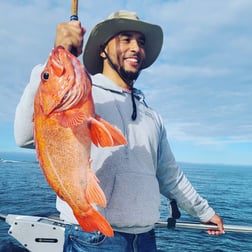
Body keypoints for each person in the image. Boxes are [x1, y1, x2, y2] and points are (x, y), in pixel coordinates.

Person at [14, 10, 224, 252]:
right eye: (126, 39)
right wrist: (54, 59)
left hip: (145, 238)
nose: (136, 47)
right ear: (103, 49)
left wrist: (204, 212)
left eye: (141, 42)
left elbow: (169, 175)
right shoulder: (83, 95)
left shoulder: (151, 115)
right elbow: (25, 135)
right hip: (91, 239)